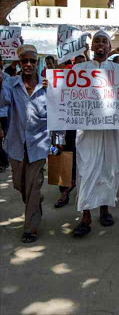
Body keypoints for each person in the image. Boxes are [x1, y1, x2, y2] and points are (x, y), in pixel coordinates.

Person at [0, 45, 64, 242]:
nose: (28, 64)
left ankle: (30, 228)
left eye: (32, 61)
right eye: (24, 61)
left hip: (39, 146)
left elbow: (57, 115)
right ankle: (34, 202)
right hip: (16, 144)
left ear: (38, 63)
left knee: (34, 186)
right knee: (20, 186)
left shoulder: (48, 87)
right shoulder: (10, 84)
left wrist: (57, 142)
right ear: (18, 63)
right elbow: (2, 104)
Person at [71, 30, 119, 237]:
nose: (101, 45)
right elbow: (64, 91)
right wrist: (52, 86)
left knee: (109, 169)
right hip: (87, 131)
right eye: (97, 41)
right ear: (92, 46)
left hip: (111, 130)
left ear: (110, 47)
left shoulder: (118, 70)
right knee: (86, 171)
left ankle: (105, 209)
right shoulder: (79, 69)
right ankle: (85, 216)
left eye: (105, 41)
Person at [0, 55, 10, 172]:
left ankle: (5, 160)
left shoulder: (6, 77)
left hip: (4, 114)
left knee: (6, 137)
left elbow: (7, 99)